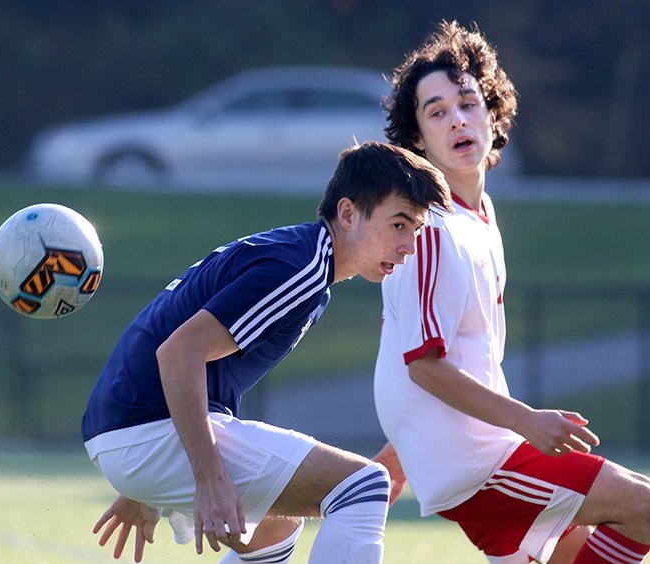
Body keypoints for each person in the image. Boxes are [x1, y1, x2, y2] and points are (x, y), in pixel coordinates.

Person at [372, 20, 650, 563]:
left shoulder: (476, 217)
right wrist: (527, 421)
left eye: (467, 102)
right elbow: (423, 366)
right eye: (436, 112)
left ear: (492, 112)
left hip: (479, 451)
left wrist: (392, 464)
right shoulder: (432, 230)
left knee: (566, 554)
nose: (457, 119)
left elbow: (433, 360)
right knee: (640, 505)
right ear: (416, 140)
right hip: (476, 463)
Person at [81, 140, 453, 563]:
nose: (408, 245)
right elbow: (178, 352)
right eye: (399, 225)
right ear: (347, 213)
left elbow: (179, 349)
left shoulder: (301, 259)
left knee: (273, 530)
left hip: (127, 428)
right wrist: (207, 475)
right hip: (146, 429)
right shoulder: (299, 269)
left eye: (415, 231)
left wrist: (142, 486)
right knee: (363, 486)